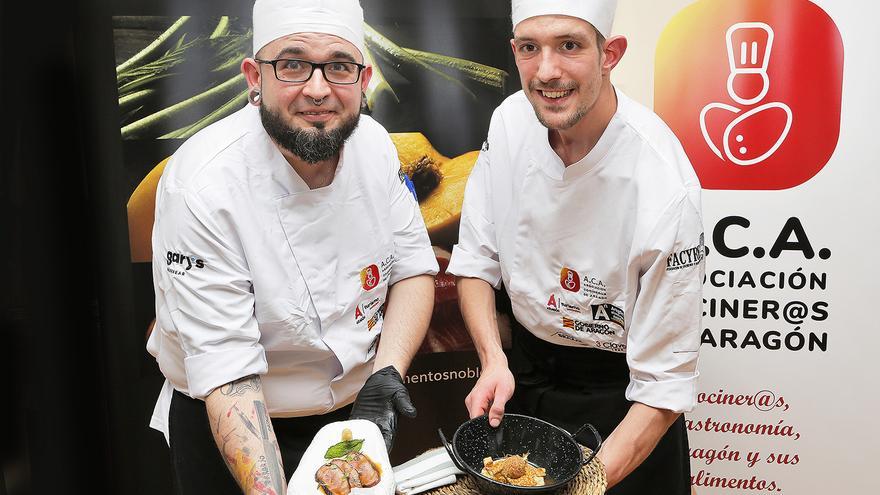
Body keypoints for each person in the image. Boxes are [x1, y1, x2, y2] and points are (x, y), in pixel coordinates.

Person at [146, 0, 438, 493]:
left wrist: (387, 369)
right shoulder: (202, 186)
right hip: (235, 424)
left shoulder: (376, 147)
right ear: (254, 78)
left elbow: (412, 269)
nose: (318, 89)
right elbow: (227, 372)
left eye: (339, 66)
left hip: (351, 415)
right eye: (293, 64)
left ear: (364, 81)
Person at [446, 0, 704, 493]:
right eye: (530, 48)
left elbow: (663, 387)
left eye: (570, 45)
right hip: (522, 380)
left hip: (622, 405)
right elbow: (478, 261)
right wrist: (492, 361)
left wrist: (581, 486)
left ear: (611, 54)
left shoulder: (661, 184)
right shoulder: (509, 122)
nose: (547, 72)